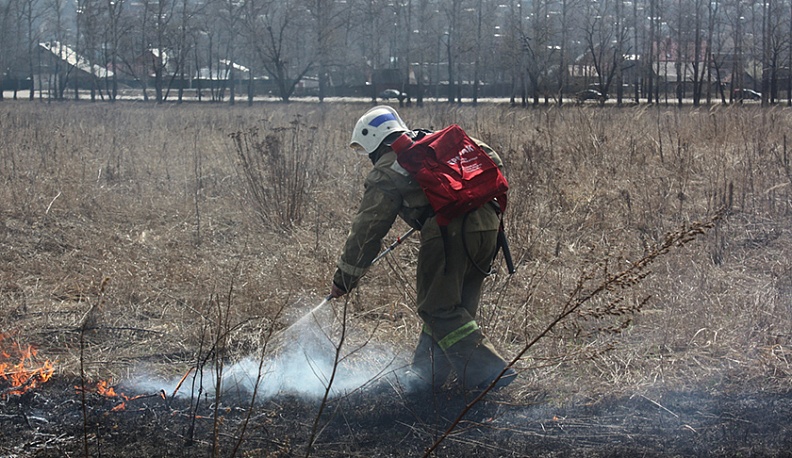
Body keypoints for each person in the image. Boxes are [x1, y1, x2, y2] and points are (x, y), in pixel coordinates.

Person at [329, 105, 516, 393]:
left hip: (449, 233)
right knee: (451, 307)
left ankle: (490, 372)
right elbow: (492, 162)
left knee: (438, 308)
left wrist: (344, 278)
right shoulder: (436, 143)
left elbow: (367, 230)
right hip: (489, 227)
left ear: (374, 144)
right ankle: (425, 378)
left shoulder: (388, 168)